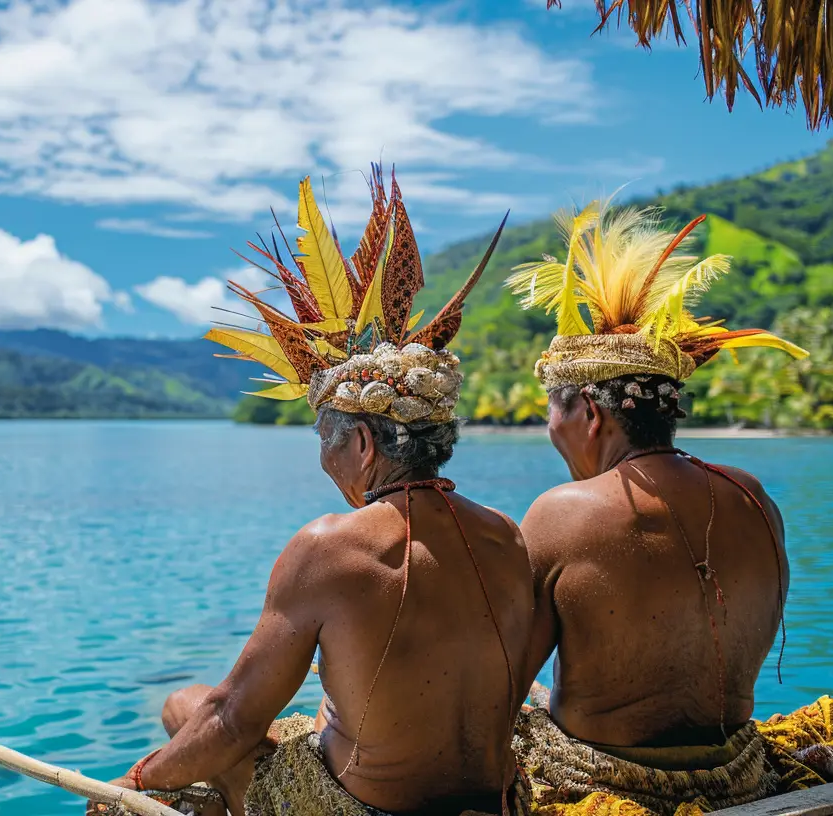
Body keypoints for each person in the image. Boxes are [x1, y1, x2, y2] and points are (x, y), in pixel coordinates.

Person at [89, 167, 534, 816]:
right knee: (206, 707)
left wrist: (129, 786)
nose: (321, 457)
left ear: (361, 443)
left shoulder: (330, 548)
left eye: (325, 438)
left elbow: (233, 721)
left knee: (189, 709)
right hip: (496, 801)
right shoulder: (506, 534)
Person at [504, 201, 808, 813]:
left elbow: (500, 688)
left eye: (551, 411)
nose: (550, 428)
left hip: (606, 784)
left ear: (589, 414)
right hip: (739, 772)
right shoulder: (755, 499)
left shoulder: (561, 513)